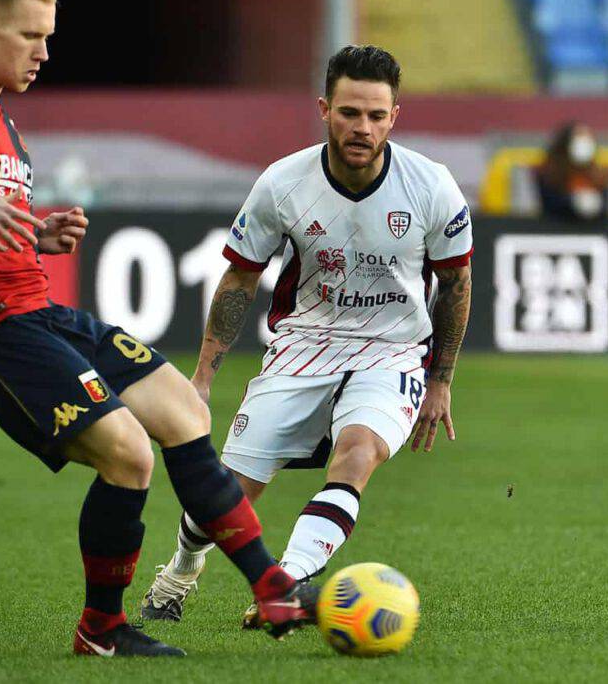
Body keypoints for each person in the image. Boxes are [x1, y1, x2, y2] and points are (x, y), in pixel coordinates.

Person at [0, 0, 315, 658]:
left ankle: (271, 585)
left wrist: (37, 234)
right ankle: (103, 630)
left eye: (47, 36)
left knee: (183, 410)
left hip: (39, 309)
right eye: (30, 36)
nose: (45, 52)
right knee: (129, 455)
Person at [141, 45, 473, 624]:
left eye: (375, 115)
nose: (361, 128)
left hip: (393, 350)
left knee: (358, 452)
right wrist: (201, 378)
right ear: (324, 109)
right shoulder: (283, 183)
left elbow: (457, 282)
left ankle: (286, 585)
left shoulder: (432, 186)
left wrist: (440, 379)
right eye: (349, 113)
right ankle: (180, 570)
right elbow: (241, 278)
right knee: (231, 493)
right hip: (302, 345)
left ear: (395, 116)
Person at [533, 121, 608, 221]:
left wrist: (595, 204)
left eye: (587, 137)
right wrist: (572, 202)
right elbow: (548, 205)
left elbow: (606, 210)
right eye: (579, 136)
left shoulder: (600, 176)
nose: (583, 141)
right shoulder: (549, 174)